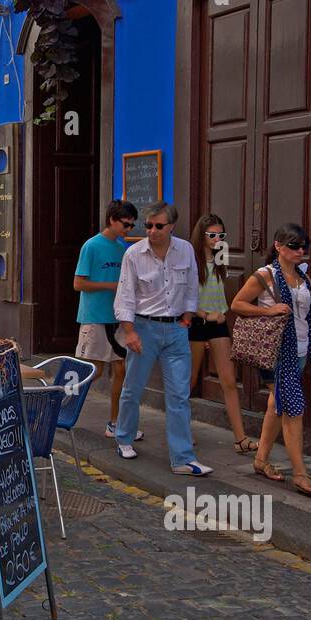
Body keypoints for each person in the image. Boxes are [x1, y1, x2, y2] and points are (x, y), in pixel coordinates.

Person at [231, 223, 311, 496]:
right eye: (294, 246)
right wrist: (269, 312)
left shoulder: (303, 277)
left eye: (304, 246)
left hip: (300, 350)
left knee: (276, 404)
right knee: (293, 408)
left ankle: (261, 460)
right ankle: (300, 474)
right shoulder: (264, 276)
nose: (300, 250)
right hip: (276, 352)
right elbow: (237, 304)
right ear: (278, 246)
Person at [112, 201, 210, 476]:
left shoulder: (185, 250)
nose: (152, 231)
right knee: (133, 388)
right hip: (144, 328)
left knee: (179, 396)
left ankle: (182, 458)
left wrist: (187, 318)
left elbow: (192, 286)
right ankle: (123, 437)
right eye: (149, 226)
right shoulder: (134, 254)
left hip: (177, 329)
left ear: (171, 227)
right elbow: (125, 296)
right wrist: (129, 331)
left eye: (159, 226)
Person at [188, 213, 258, 455]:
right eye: (212, 235)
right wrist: (204, 315)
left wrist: (218, 314)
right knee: (189, 380)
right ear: (201, 236)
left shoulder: (221, 256)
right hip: (196, 322)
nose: (217, 239)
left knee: (229, 380)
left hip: (218, 323)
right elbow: (182, 296)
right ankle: (181, 430)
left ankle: (240, 438)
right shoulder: (190, 259)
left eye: (221, 235)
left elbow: (219, 290)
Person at [74, 199, 138, 438]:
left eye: (132, 225)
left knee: (121, 369)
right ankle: (59, 405)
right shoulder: (91, 246)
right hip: (94, 317)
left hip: (118, 318)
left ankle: (116, 422)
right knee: (93, 372)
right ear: (112, 220)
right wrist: (111, 285)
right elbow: (78, 283)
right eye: (126, 224)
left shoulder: (123, 250)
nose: (129, 229)